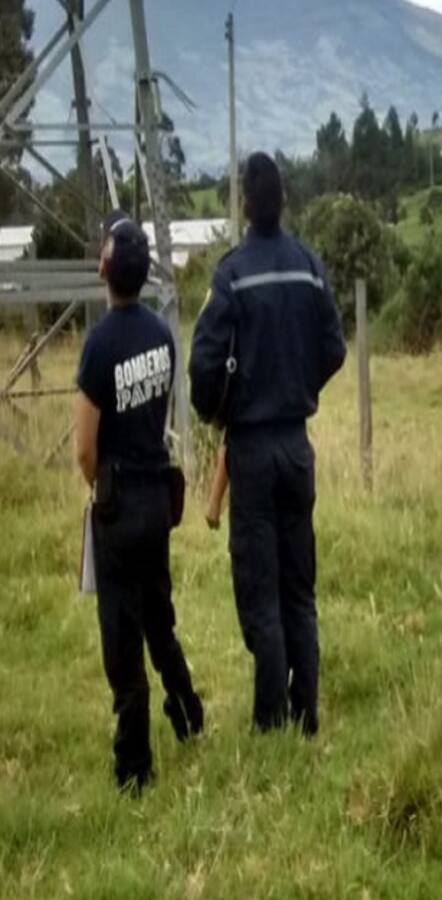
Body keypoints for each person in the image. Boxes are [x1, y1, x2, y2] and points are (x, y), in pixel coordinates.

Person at [189, 153, 346, 735]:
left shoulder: (231, 275)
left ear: (246, 205)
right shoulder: (308, 265)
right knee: (299, 586)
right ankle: (307, 713)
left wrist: (219, 410)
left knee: (261, 589)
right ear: (284, 199)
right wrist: (302, 385)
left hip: (251, 450)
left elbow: (204, 360)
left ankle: (270, 720)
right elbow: (334, 346)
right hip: (296, 447)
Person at [75, 211, 204, 792]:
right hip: (157, 499)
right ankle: (187, 713)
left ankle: (135, 767)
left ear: (105, 268)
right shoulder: (162, 335)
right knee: (160, 617)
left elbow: (84, 447)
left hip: (118, 501)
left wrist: (96, 487)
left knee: (121, 641)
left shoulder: (99, 346)